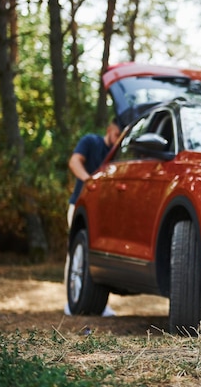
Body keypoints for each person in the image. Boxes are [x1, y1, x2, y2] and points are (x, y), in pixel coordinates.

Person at [65, 119, 121, 317]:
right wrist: (90, 181)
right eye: (116, 135)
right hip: (80, 205)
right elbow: (74, 162)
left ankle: (98, 303)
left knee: (98, 254)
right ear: (109, 129)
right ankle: (72, 300)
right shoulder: (91, 142)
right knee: (77, 253)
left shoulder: (118, 154)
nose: (117, 141)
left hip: (103, 212)